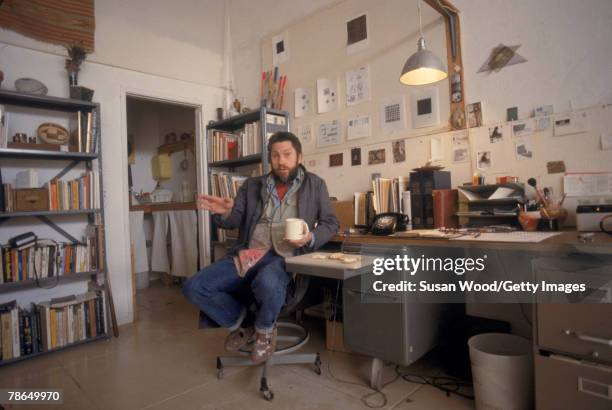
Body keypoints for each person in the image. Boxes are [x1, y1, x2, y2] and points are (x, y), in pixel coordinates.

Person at [183, 132, 339, 363]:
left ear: (299, 156)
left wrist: (311, 237)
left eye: (287, 155)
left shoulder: (315, 185)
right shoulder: (252, 185)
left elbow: (331, 223)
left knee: (268, 281)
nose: (281, 161)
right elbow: (235, 219)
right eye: (275, 156)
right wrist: (225, 212)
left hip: (284, 258)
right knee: (194, 287)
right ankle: (245, 325)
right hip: (248, 254)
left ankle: (265, 330)